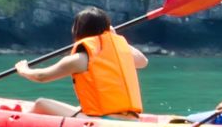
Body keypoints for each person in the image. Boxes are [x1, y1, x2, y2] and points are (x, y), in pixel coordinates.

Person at [10, 8, 147, 119]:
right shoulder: (122, 54)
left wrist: (23, 70)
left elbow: (41, 76)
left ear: (78, 29)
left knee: (41, 104)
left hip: (104, 121)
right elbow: (143, 61)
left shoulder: (80, 59)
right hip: (132, 119)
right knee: (77, 109)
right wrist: (115, 38)